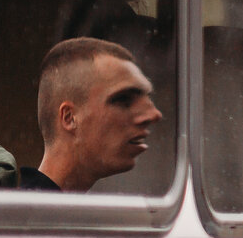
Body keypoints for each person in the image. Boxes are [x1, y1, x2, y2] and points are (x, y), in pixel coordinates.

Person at [18, 37, 162, 192]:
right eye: (123, 99)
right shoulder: (20, 214)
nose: (153, 114)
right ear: (69, 118)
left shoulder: (48, 211)